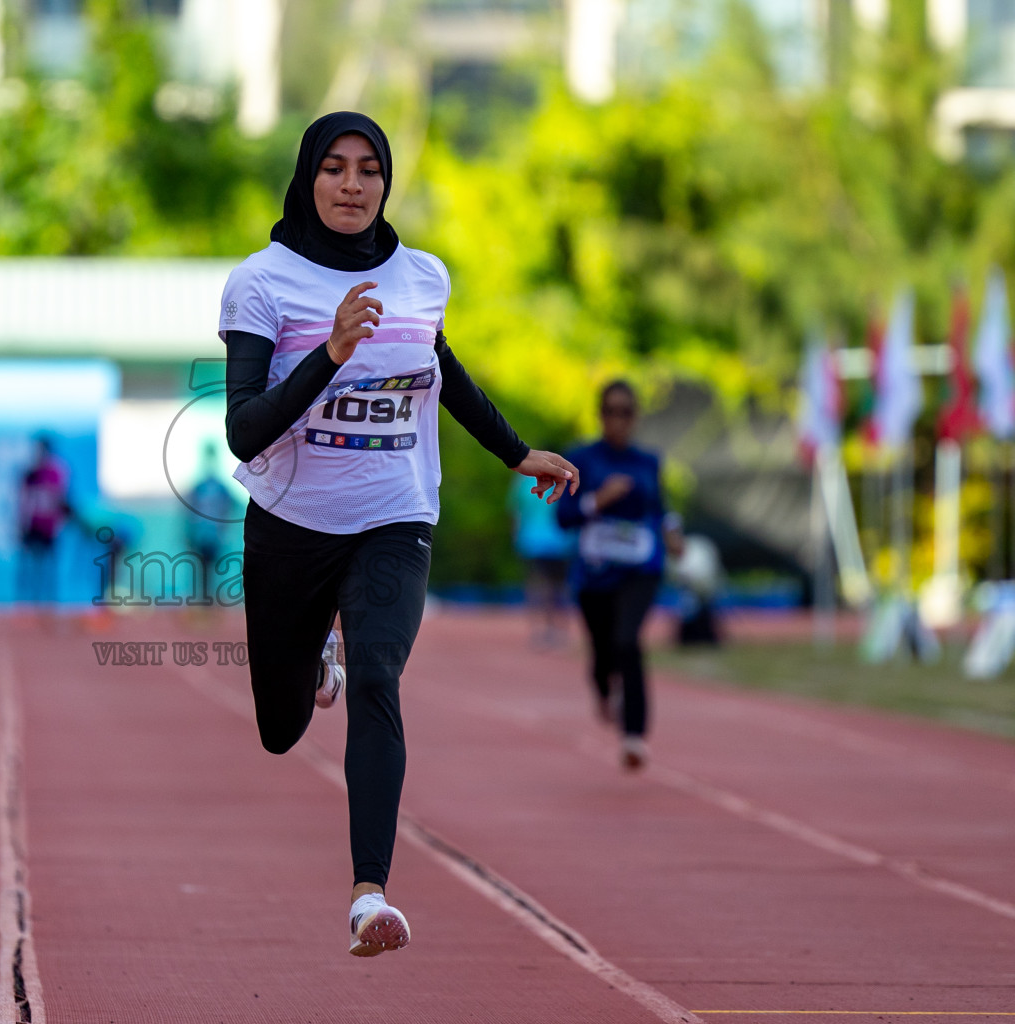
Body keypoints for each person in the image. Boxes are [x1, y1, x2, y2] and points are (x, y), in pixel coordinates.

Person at [220, 111, 578, 957]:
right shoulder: (263, 283)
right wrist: (331, 353)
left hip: (396, 515)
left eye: (369, 170)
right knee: (279, 729)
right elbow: (243, 430)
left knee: (380, 676)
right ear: (309, 178)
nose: (353, 185)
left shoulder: (423, 276)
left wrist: (514, 450)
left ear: (387, 183)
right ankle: (312, 657)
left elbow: (443, 371)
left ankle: (368, 896)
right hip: (291, 523)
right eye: (336, 168)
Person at [554, 380, 683, 772]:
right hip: (595, 574)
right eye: (611, 411)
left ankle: (634, 735)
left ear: (636, 416)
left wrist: (674, 531)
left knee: (628, 641)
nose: (619, 419)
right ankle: (603, 686)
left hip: (641, 568)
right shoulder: (583, 459)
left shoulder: (648, 461)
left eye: (626, 411)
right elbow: (563, 518)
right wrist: (598, 500)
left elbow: (661, 506)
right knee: (603, 651)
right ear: (600, 415)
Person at [511, 471, 574, 646]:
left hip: (533, 541)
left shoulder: (523, 480)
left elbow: (516, 512)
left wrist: (517, 539)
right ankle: (559, 630)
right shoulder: (564, 477)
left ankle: (540, 630)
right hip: (561, 541)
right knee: (560, 588)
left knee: (538, 587)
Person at [17, 434, 71, 615]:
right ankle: (28, 604)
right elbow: (23, 500)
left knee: (48, 566)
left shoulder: (57, 472)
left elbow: (62, 498)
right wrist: (21, 524)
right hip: (33, 525)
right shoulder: (30, 472)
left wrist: (59, 524)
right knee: (30, 566)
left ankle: (48, 605)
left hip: (49, 526)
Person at [184, 442, 239, 607]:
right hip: (202, 535)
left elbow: (230, 507)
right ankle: (204, 603)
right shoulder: (201, 486)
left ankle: (209, 603)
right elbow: (189, 511)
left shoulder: (218, 487)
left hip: (213, 536)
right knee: (202, 571)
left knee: (211, 570)